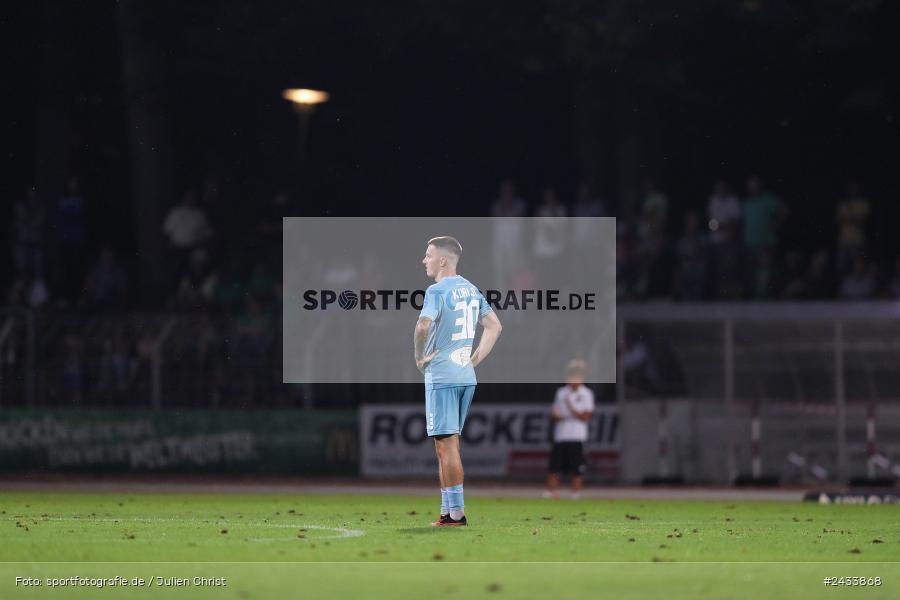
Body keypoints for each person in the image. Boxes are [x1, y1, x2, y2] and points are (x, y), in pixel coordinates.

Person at [414, 236, 502, 526]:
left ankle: (457, 514)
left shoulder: (436, 290)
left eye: (428, 255)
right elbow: (495, 326)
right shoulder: (471, 289)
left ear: (442, 260)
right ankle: (447, 512)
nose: (424, 260)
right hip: (465, 375)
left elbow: (423, 325)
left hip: (442, 375)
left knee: (447, 447)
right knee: (447, 445)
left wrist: (419, 357)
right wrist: (473, 360)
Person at [545, 360, 595, 499]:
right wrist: (554, 415)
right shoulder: (561, 392)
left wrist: (571, 407)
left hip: (577, 435)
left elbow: (586, 417)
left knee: (577, 467)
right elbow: (555, 413)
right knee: (554, 466)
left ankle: (575, 493)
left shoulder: (586, 393)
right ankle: (551, 492)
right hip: (561, 435)